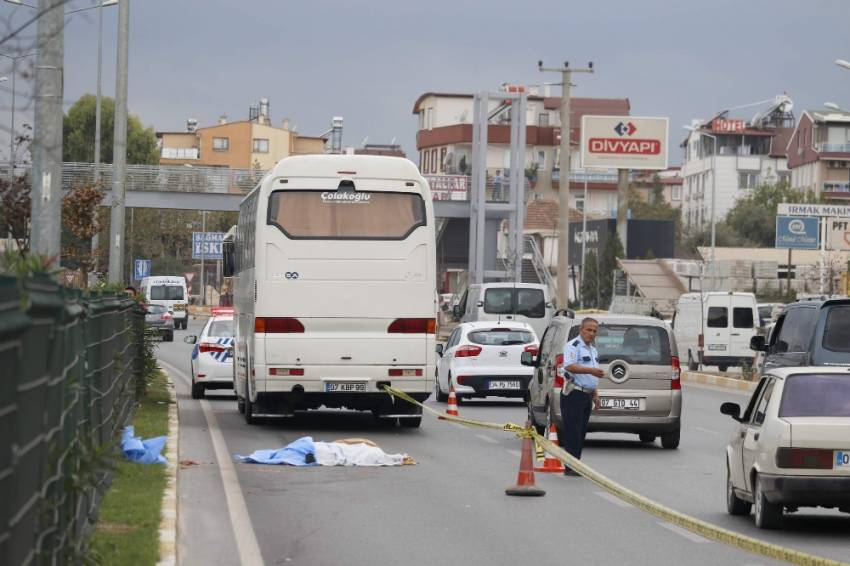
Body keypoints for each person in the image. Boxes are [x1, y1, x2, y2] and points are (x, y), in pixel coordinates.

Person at [560, 318, 603, 476]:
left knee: (581, 432)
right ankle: (570, 466)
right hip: (574, 394)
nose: (592, 333)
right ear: (581, 330)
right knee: (573, 431)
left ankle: (575, 464)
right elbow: (569, 365)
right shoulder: (573, 346)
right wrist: (591, 372)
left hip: (587, 394)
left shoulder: (592, 349)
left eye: (594, 331)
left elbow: (593, 376)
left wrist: (595, 394)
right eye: (589, 330)